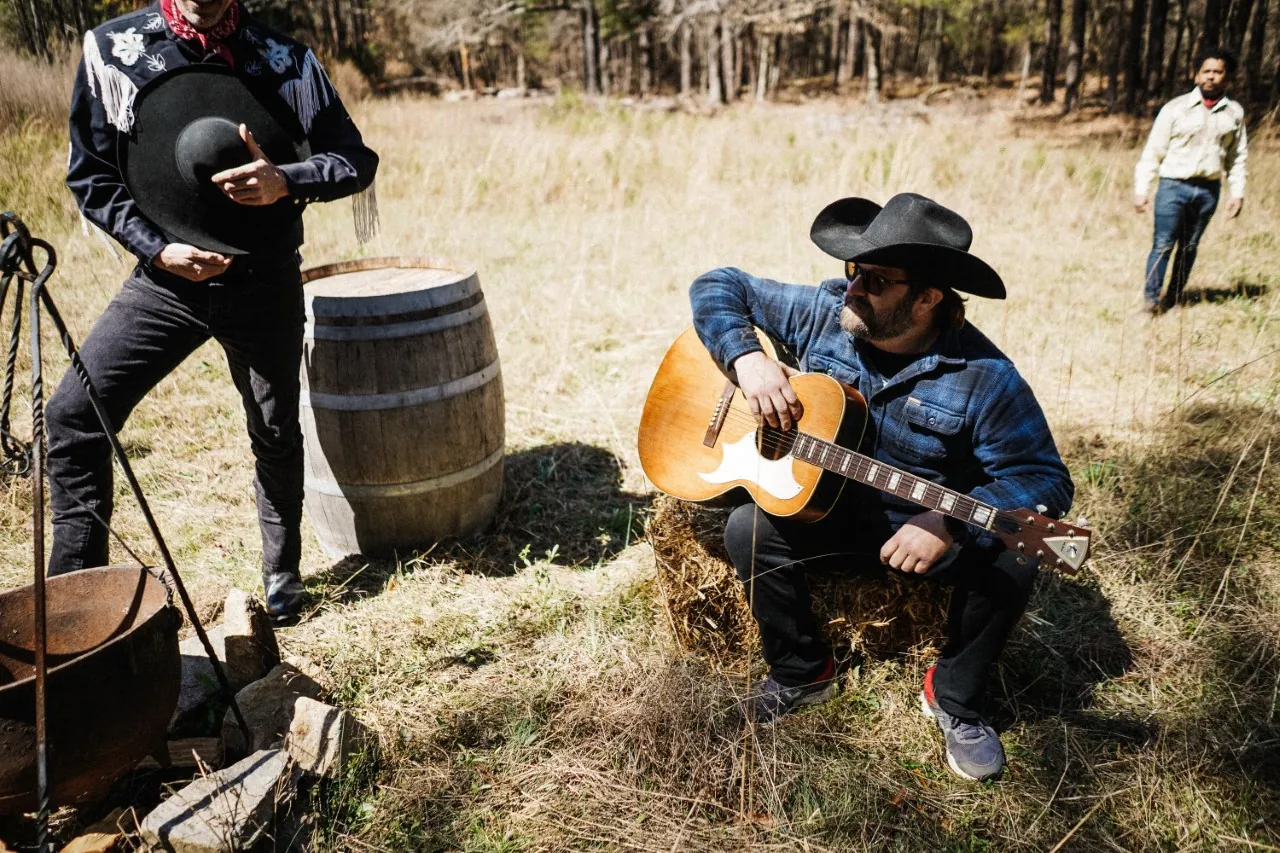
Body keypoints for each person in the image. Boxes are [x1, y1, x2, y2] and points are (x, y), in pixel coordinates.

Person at [689, 193, 1075, 782]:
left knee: (1015, 561)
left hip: (914, 528)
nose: (853, 288)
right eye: (854, 270)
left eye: (876, 280)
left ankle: (955, 700)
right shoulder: (826, 313)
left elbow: (1045, 479)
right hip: (828, 509)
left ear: (927, 298)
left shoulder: (987, 379)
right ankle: (801, 673)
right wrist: (748, 360)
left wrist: (949, 521)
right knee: (748, 528)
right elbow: (717, 284)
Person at [47, 0, 378, 620]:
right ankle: (76, 600)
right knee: (73, 417)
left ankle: (283, 576)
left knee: (275, 432)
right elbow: (91, 177)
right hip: (165, 284)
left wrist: (289, 177)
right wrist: (158, 249)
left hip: (264, 281)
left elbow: (356, 160)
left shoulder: (286, 61)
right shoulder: (116, 51)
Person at [1134, 47, 1247, 314]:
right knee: (1163, 244)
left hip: (1208, 190)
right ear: (1196, 75)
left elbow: (1237, 157)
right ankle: (1151, 301)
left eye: (1217, 72)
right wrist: (1142, 189)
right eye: (1205, 71)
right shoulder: (1175, 109)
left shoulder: (1234, 113)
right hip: (1173, 186)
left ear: (1227, 77)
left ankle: (1173, 298)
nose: (1211, 77)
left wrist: (1237, 193)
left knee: (1189, 246)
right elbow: (1153, 151)